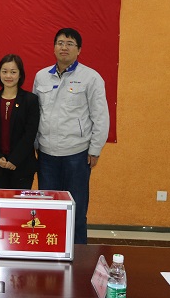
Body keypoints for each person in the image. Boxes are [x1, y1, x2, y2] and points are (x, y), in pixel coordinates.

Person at [33, 28, 109, 245]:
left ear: (79, 50)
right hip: (47, 155)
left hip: (77, 155)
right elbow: (35, 114)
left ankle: (79, 256)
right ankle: (51, 251)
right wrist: (35, 144)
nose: (64, 47)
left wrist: (95, 150)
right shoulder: (41, 77)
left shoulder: (91, 78)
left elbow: (101, 116)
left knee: (76, 210)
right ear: (54, 47)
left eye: (69, 43)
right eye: (60, 43)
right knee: (49, 208)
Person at [0, 54, 40, 189]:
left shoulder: (30, 100)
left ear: (20, 75)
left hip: (22, 165)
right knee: (0, 202)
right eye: (4, 71)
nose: (8, 76)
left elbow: (30, 133)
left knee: (20, 203)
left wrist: (15, 159)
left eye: (13, 72)